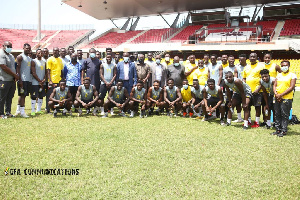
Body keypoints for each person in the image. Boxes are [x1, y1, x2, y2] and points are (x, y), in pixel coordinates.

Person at [272, 60, 296, 137]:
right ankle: (278, 129)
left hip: (286, 98)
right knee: (277, 114)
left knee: (284, 114)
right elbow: (275, 85)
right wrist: (276, 94)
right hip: (277, 97)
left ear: (289, 66)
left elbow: (291, 87)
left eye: (285, 65)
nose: (283, 67)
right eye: (282, 66)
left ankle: (284, 130)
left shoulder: (292, 75)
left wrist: (281, 95)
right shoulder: (279, 75)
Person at [243, 53, 264, 128]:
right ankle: (248, 121)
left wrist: (258, 89)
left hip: (257, 91)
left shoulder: (261, 66)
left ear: (256, 58)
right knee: (247, 106)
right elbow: (244, 78)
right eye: (251, 56)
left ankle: (256, 122)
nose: (252, 58)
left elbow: (263, 79)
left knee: (257, 107)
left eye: (254, 57)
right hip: (248, 91)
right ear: (249, 58)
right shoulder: (246, 67)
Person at [0, 41, 18, 119]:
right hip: (4, 80)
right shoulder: (1, 54)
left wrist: (15, 76)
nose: (9, 48)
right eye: (7, 46)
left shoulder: (11, 55)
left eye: (10, 46)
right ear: (3, 46)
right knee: (2, 97)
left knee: (10, 97)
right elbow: (3, 66)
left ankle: (8, 112)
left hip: (11, 80)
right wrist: (14, 75)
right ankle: (1, 114)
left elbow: (13, 67)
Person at [16, 43, 32, 117]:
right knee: (22, 95)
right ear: (23, 48)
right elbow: (18, 68)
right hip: (22, 79)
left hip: (27, 79)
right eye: (26, 48)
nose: (28, 49)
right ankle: (22, 112)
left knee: (23, 95)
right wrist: (20, 80)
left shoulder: (29, 58)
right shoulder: (20, 57)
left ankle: (18, 110)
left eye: (29, 48)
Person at [46, 47, 64, 113]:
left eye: (57, 51)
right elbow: (48, 71)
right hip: (52, 81)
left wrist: (62, 79)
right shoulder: (50, 59)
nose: (56, 52)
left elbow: (61, 70)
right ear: (52, 51)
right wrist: (50, 80)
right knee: (50, 95)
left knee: (57, 96)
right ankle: (47, 109)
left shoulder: (60, 60)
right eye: (54, 51)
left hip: (59, 81)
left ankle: (56, 108)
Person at [30, 49, 46, 116]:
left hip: (42, 82)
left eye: (41, 52)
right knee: (34, 96)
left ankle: (38, 109)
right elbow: (33, 73)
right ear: (36, 54)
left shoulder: (44, 61)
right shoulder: (33, 61)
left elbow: (46, 72)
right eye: (38, 52)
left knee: (41, 95)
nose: (40, 54)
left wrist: (43, 80)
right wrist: (39, 81)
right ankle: (33, 110)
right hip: (35, 82)